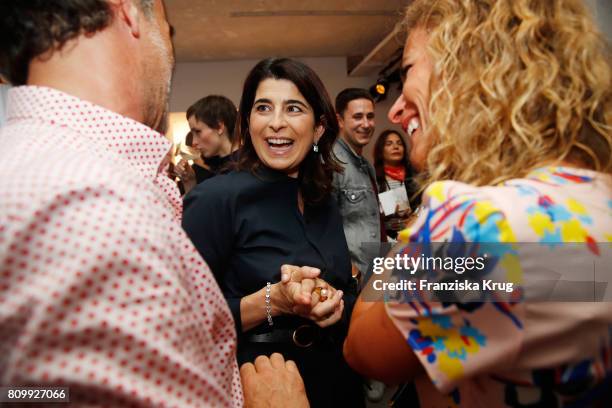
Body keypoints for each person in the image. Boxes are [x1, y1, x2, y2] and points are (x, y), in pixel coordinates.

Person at [0, 1, 306, 406]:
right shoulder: (88, 205)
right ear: (126, 9)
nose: (170, 51)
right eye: (167, 26)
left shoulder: (44, 169)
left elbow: (33, 394)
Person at [344, 0, 612, 407]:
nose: (395, 110)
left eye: (409, 72)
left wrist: (413, 238)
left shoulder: (480, 225)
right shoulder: (595, 196)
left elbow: (363, 351)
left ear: (471, 67)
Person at [182, 57, 364, 407]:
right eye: (263, 108)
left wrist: (333, 300)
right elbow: (187, 320)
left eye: (293, 108)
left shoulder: (321, 197)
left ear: (320, 128)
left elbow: (343, 286)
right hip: (260, 385)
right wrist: (274, 300)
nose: (276, 123)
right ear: (248, 121)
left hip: (337, 378)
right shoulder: (216, 199)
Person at [332, 88, 384, 280]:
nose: (366, 124)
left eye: (370, 116)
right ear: (340, 121)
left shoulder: (366, 165)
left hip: (372, 272)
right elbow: (321, 228)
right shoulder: (332, 163)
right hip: (350, 279)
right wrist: (354, 273)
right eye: (357, 117)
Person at [175, 95, 239, 193]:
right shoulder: (219, 169)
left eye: (198, 131)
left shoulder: (242, 171)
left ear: (219, 127)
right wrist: (190, 181)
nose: (193, 142)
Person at [372, 129, 420, 239]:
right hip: (384, 238)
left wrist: (414, 213)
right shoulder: (373, 176)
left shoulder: (415, 175)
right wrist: (384, 211)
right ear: (380, 150)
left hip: (412, 236)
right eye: (389, 144)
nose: (395, 147)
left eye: (399, 143)